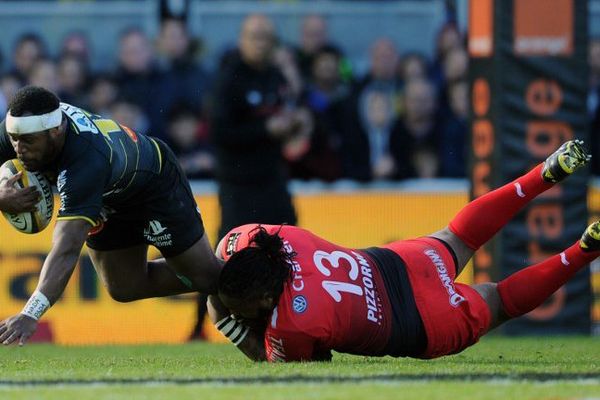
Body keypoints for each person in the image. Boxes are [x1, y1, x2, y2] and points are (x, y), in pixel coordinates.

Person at [208, 140, 597, 362]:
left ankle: (585, 250)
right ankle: (541, 174)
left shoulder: (292, 327)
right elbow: (228, 247)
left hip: (419, 324)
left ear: (263, 298)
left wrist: (229, 326)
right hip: (400, 264)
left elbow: (297, 369)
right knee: (459, 235)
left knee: (499, 300)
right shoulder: (268, 238)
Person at [0, 86, 222, 346]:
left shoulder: (84, 161)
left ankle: (241, 271)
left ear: (56, 130)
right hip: (110, 195)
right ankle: (218, 277)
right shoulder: (21, 127)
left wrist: (30, 313)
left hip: (153, 183)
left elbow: (67, 249)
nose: (18, 148)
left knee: (207, 276)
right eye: (14, 138)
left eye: (27, 141)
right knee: (123, 287)